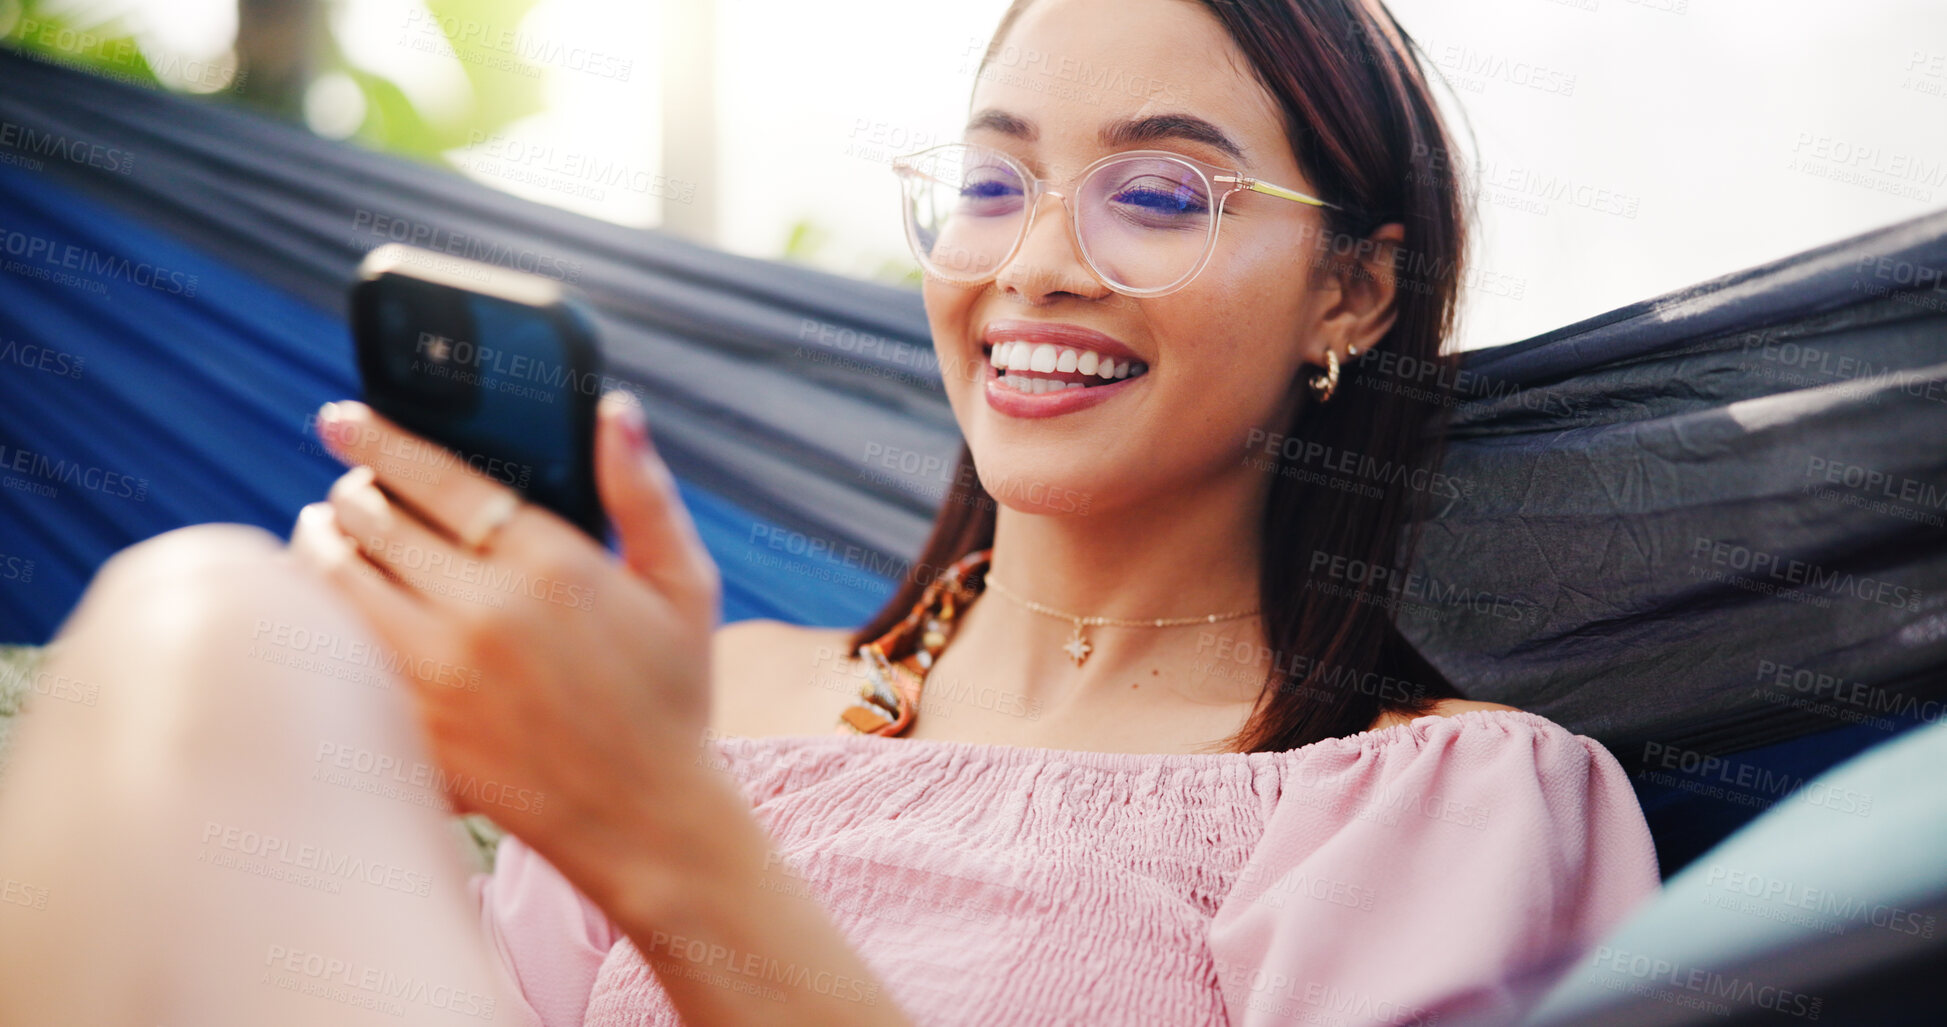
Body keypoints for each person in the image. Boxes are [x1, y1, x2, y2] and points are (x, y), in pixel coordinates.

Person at [0, 0, 1662, 1024]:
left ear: (1354, 292)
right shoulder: (696, 699)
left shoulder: (1434, 807)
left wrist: (668, 843)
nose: (1036, 264)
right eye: (993, 182)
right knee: (220, 623)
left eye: (1159, 194)